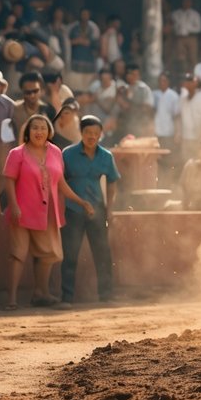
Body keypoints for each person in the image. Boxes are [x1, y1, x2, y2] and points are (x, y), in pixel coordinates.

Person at [3, 114, 92, 310]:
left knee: (51, 254)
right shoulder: (17, 153)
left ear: (49, 131)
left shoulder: (55, 152)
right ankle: (11, 299)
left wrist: (80, 201)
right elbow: (8, 180)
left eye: (43, 128)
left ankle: (40, 293)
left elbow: (60, 183)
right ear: (28, 131)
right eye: (34, 128)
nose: (39, 132)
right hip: (22, 211)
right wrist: (14, 205)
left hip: (46, 213)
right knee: (18, 254)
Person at [61, 115, 120, 304]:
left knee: (102, 253)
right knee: (70, 254)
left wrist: (110, 209)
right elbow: (60, 181)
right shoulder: (67, 154)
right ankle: (67, 297)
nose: (92, 136)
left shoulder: (106, 156)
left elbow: (112, 182)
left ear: (101, 134)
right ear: (81, 133)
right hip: (73, 209)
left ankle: (106, 295)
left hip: (97, 210)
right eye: (88, 132)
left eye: (96, 133)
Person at [170, 0, 201, 75]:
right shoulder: (176, 14)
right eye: (185, 1)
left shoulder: (195, 14)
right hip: (179, 38)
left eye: (188, 1)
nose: (186, 3)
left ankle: (193, 76)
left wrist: (189, 30)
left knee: (192, 58)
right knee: (180, 59)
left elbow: (199, 28)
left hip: (191, 38)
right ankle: (181, 76)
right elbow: (172, 25)